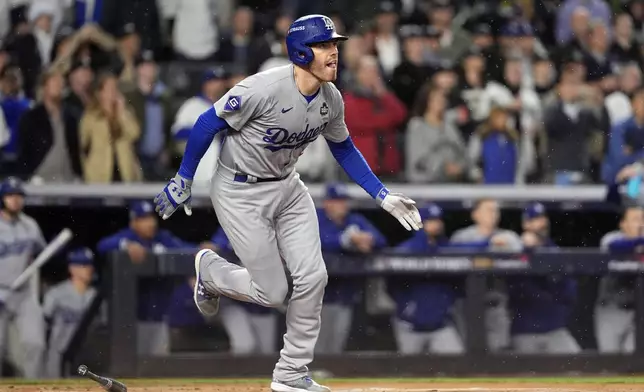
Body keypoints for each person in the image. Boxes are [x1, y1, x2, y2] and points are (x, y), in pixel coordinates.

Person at [153, 15, 421, 392]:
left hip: (288, 187)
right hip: (239, 191)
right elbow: (206, 123)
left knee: (314, 277)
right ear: (300, 50)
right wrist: (183, 177)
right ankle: (211, 272)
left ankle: (291, 374)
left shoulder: (331, 98)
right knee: (273, 293)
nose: (334, 52)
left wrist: (382, 194)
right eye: (325, 45)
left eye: (335, 45)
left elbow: (343, 148)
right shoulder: (263, 88)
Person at [96, 201, 209, 356]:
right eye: (144, 219)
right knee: (133, 366)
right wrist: (125, 245)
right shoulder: (127, 237)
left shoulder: (162, 238)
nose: (150, 223)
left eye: (151, 218)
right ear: (134, 222)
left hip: (159, 316)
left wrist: (200, 249)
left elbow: (184, 249)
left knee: (159, 366)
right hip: (132, 320)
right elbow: (102, 245)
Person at [315, 183, 387, 354]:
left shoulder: (354, 220)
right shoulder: (315, 217)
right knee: (317, 345)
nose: (342, 205)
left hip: (345, 294)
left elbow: (380, 240)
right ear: (327, 203)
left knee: (337, 344)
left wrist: (367, 240)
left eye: (344, 201)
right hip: (317, 296)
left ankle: (328, 373)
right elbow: (318, 240)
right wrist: (347, 241)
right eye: (337, 201)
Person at [390, 203, 465, 354]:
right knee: (407, 372)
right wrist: (406, 306)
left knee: (457, 364)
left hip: (441, 325)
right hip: (409, 325)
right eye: (430, 220)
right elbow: (391, 284)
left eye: (438, 220)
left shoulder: (447, 248)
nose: (436, 224)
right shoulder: (405, 250)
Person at [507, 203, 580, 354]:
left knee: (577, 367)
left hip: (554, 328)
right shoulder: (515, 249)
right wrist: (528, 250)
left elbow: (569, 289)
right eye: (535, 220)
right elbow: (516, 287)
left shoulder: (555, 251)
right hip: (525, 329)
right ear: (525, 224)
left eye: (543, 219)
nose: (542, 223)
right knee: (526, 375)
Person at [0, 177, 46, 378]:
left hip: (23, 293)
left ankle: (33, 387)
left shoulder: (31, 225)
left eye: (19, 196)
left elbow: (42, 254)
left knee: (35, 343)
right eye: (11, 195)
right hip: (0, 291)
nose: (16, 200)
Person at [210, 226, 279, 355]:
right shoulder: (231, 225)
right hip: (234, 303)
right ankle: (233, 374)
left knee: (266, 354)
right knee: (244, 347)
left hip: (263, 306)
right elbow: (214, 247)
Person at [595, 206, 644, 354]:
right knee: (610, 360)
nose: (641, 224)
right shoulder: (612, 238)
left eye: (643, 219)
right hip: (611, 310)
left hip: (637, 313)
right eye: (636, 220)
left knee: (635, 365)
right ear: (623, 224)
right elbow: (614, 247)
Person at [43, 247, 97, 378]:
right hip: (58, 351)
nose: (88, 269)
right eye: (83, 265)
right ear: (72, 268)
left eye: (90, 265)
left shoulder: (96, 296)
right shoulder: (56, 293)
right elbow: (44, 321)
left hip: (85, 353)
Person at [79, 72, 142, 183]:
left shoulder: (125, 113)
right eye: (109, 88)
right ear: (100, 93)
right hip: (99, 175)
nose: (113, 92)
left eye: (115, 88)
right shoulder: (90, 117)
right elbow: (83, 143)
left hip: (124, 172)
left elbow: (135, 134)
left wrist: (122, 113)